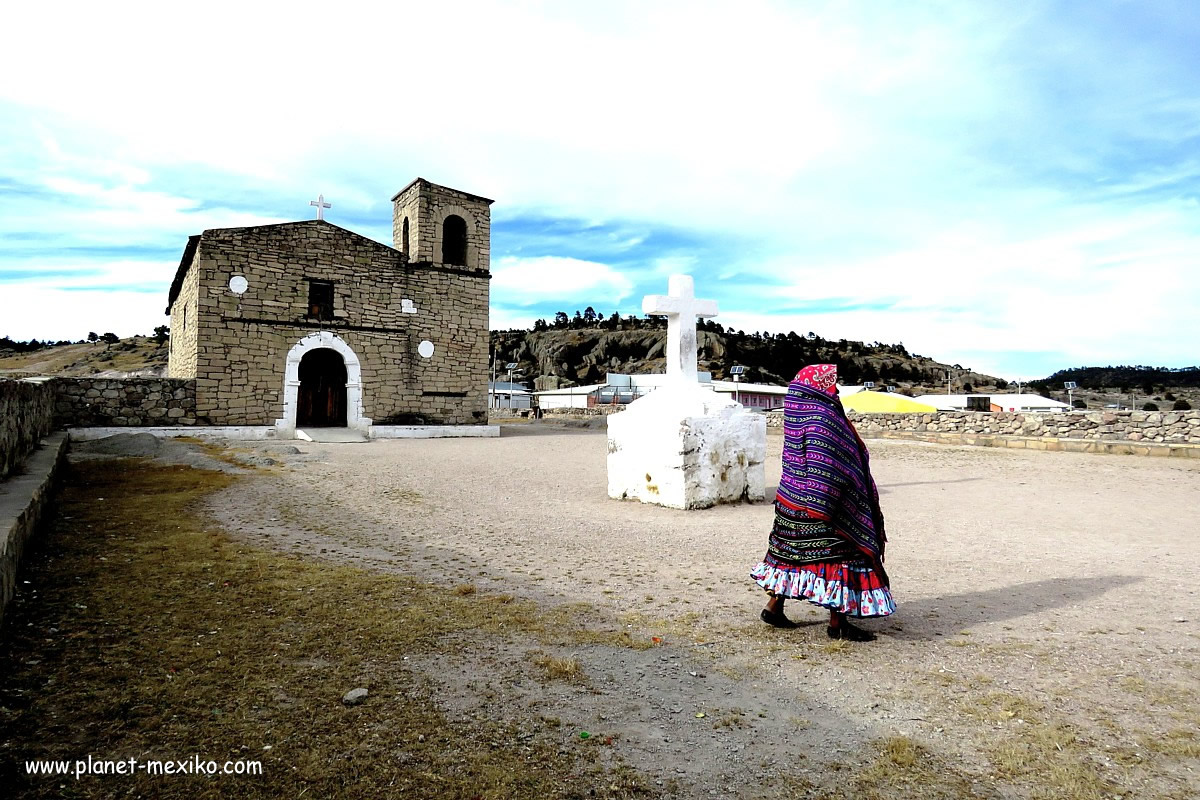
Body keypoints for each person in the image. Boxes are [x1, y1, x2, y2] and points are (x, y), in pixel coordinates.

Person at [749, 364, 894, 641]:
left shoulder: (796, 412)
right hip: (824, 505)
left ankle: (774, 606)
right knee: (841, 556)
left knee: (791, 554)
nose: (836, 389)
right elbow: (831, 463)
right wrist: (840, 499)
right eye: (832, 383)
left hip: (791, 501)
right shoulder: (825, 416)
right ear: (820, 386)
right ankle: (838, 622)